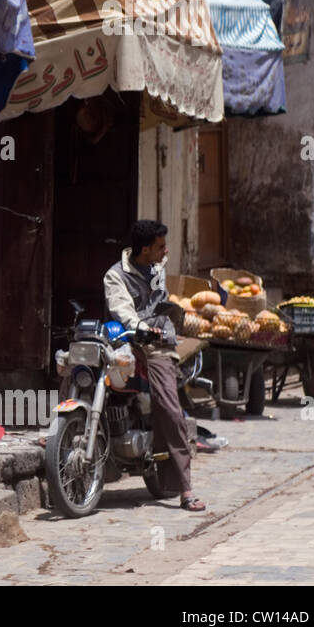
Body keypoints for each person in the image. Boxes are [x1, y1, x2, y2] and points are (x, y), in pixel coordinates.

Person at [102, 219, 207, 512]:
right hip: (127, 340)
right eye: (160, 247)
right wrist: (138, 327)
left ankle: (185, 488)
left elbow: (160, 302)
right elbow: (121, 309)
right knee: (79, 368)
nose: (166, 251)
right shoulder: (115, 276)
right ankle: (58, 435)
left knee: (169, 407)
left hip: (158, 345)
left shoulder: (157, 267)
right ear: (145, 249)